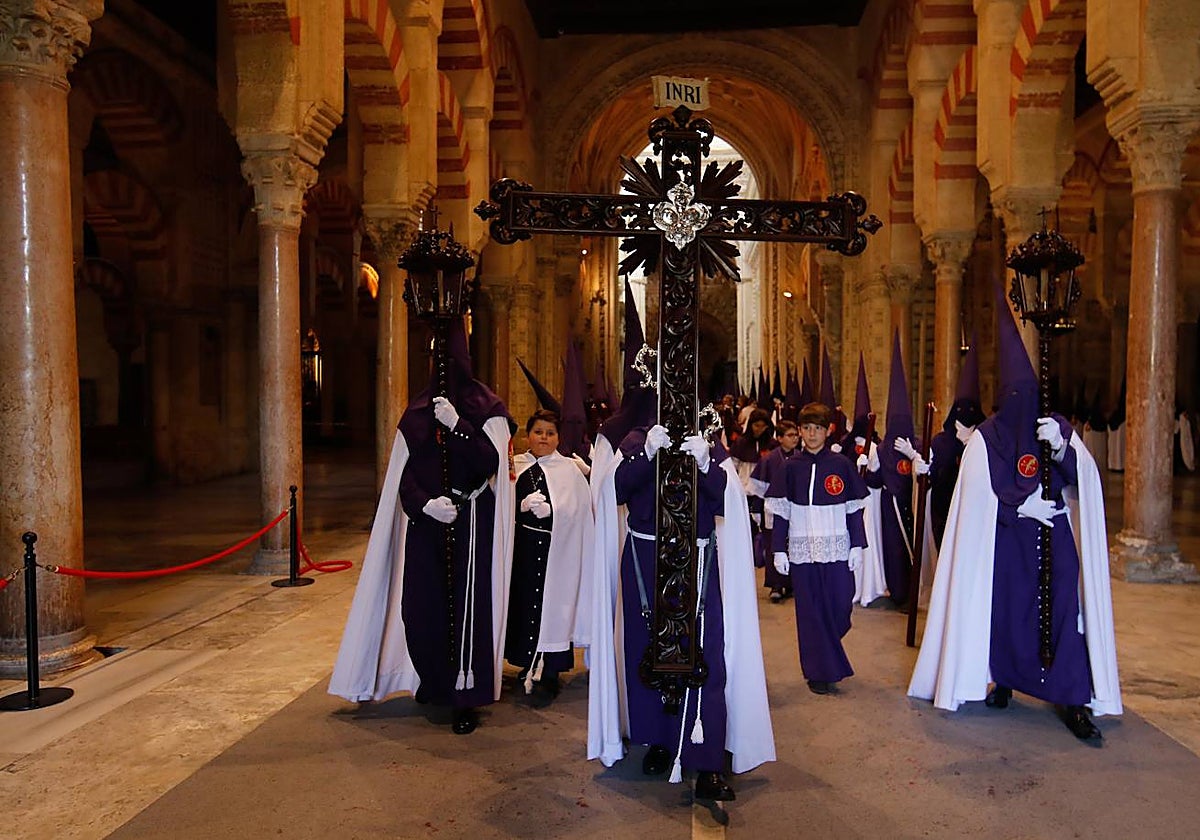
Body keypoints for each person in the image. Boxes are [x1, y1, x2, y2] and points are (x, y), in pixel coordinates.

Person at [908, 292, 1122, 742]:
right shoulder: (987, 438)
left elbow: (1081, 478)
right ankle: (1004, 678)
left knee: (1064, 611)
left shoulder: (1053, 426)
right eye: (1014, 395)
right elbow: (976, 496)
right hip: (1008, 543)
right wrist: (1017, 505)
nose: (1022, 403)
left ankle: (1073, 695)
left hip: (1055, 537)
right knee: (1008, 613)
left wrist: (1063, 446)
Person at [329, 317, 516, 736]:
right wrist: (424, 505)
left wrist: (458, 428)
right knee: (422, 609)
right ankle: (433, 681)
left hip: (470, 524)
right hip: (428, 525)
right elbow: (402, 476)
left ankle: (465, 697)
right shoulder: (416, 412)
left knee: (468, 613)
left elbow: (489, 463)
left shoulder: (487, 409)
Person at [588, 422, 775, 801]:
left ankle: (707, 760)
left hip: (696, 560)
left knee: (704, 656)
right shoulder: (636, 439)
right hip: (645, 559)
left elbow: (728, 502)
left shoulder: (706, 441)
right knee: (646, 652)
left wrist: (707, 464)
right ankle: (658, 740)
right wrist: (645, 456)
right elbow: (616, 490)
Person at [765, 402, 869, 695]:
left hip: (837, 547)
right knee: (810, 612)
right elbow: (781, 512)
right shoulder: (790, 468)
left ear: (828, 431)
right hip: (802, 549)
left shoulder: (841, 465)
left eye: (818, 429)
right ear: (799, 431)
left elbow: (852, 509)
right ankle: (819, 671)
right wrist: (779, 550)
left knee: (840, 603)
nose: (812, 435)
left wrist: (857, 545)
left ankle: (826, 653)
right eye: (807, 429)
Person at [505, 410, 594, 708]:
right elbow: (498, 508)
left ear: (558, 437)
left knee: (554, 607)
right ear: (528, 435)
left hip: (558, 552)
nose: (543, 437)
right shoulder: (514, 466)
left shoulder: (568, 470)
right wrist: (519, 505)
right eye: (538, 431)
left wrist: (554, 513)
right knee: (524, 603)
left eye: (550, 433)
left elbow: (582, 512)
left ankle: (551, 671)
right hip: (524, 552)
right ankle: (527, 664)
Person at [749, 419, 802, 602]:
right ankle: (776, 585)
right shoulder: (769, 459)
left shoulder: (800, 457)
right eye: (789, 435)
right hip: (772, 510)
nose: (794, 439)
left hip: (795, 510)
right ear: (779, 438)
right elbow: (758, 487)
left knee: (793, 546)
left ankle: (792, 583)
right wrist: (756, 510)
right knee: (774, 547)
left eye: (796, 435)